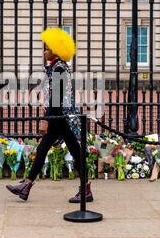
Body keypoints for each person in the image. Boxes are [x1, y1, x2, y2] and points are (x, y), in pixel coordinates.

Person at [6, 27, 94, 203]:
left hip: (60, 117)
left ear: (55, 50)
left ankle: (85, 190)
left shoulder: (59, 69)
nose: (44, 51)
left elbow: (56, 98)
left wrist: (46, 119)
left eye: (47, 48)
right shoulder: (57, 67)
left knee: (73, 151)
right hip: (59, 116)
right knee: (45, 148)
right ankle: (27, 185)